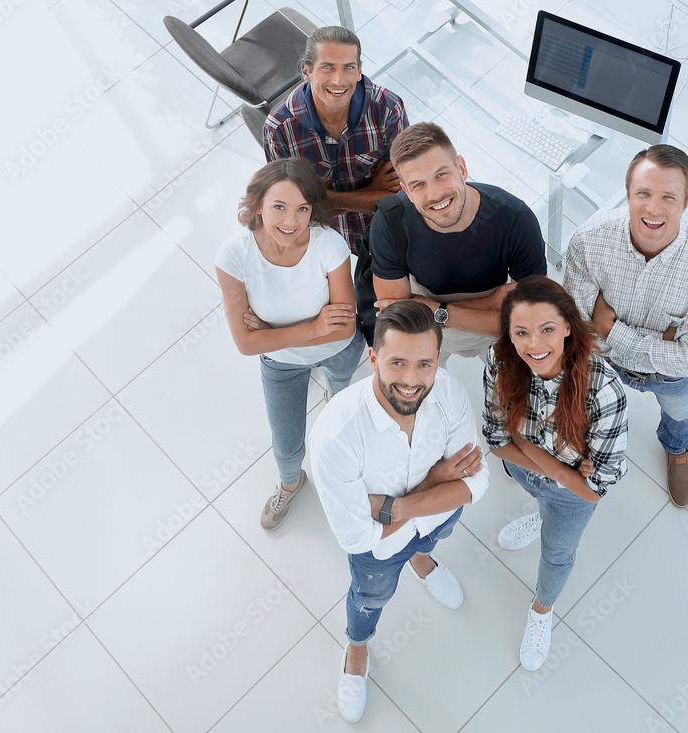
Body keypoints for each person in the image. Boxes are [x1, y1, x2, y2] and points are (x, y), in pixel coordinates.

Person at [309, 300, 489, 724]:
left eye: (425, 364)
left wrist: (394, 505)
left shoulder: (447, 391)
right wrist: (438, 480)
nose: (412, 380)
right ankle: (356, 648)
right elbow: (359, 538)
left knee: (431, 536)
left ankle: (422, 561)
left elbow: (476, 483)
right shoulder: (335, 437)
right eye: (398, 363)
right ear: (373, 358)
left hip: (430, 519)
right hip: (378, 551)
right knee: (370, 598)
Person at [563, 144, 688, 508]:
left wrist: (611, 329)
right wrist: (663, 340)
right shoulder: (589, 241)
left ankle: (676, 448)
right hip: (601, 361)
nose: (653, 209)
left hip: (668, 375)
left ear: (685, 203)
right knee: (583, 402)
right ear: (627, 194)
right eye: (643, 193)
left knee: (680, 412)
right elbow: (577, 327)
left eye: (668, 197)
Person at [482, 275, 627, 672]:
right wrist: (561, 469)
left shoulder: (603, 390)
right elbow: (496, 440)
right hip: (529, 473)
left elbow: (594, 491)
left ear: (567, 325)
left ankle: (542, 610)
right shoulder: (501, 361)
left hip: (570, 496)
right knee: (538, 491)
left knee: (559, 552)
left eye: (547, 329)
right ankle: (540, 514)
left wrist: (529, 448)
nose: (534, 344)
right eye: (522, 332)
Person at [215, 158, 364, 531]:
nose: (291, 221)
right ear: (257, 206)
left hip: (338, 350)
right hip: (280, 363)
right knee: (285, 442)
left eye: (302, 209)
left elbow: (344, 330)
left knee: (340, 385)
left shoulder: (329, 243)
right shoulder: (234, 255)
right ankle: (291, 483)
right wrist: (315, 326)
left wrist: (270, 329)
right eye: (279, 207)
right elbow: (247, 345)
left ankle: (333, 393)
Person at [370, 122, 547, 366]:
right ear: (406, 192)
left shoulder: (515, 219)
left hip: (496, 336)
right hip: (429, 336)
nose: (434, 194)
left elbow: (527, 323)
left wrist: (437, 311)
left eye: (441, 175)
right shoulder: (389, 222)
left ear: (461, 168)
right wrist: (489, 303)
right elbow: (403, 324)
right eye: (418, 184)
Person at [262, 25, 409, 254]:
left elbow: (402, 195)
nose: (339, 80)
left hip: (395, 227)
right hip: (331, 239)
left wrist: (327, 200)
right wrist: (372, 188)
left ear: (359, 71)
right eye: (327, 67)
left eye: (348, 67)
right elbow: (297, 211)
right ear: (307, 71)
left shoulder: (388, 109)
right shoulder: (279, 129)